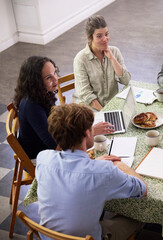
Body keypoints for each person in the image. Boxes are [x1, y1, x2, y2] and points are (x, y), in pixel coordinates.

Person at [36, 103, 147, 240]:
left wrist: (95, 164)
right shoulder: (104, 171)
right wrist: (119, 164)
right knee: (139, 217)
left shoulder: (42, 158)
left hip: (47, 236)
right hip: (89, 238)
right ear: (88, 133)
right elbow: (142, 190)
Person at [13, 56, 115, 160]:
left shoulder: (42, 93)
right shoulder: (32, 106)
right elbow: (57, 146)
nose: (55, 79)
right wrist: (90, 131)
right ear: (35, 82)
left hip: (51, 146)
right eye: (48, 78)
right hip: (39, 157)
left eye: (54, 73)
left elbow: (56, 126)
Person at [73, 15, 131, 111]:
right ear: (90, 38)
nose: (105, 39)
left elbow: (126, 81)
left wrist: (112, 59)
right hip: (88, 108)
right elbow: (86, 95)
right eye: (99, 36)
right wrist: (104, 112)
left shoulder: (115, 51)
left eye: (107, 34)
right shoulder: (80, 59)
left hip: (110, 104)